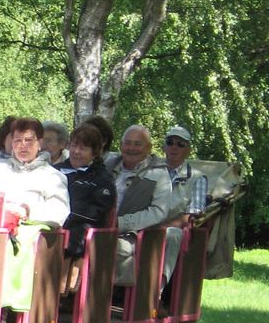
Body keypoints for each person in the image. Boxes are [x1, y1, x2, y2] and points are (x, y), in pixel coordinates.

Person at [0, 118, 70, 312]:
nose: (23, 146)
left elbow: (60, 211)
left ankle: (3, 310)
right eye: (17, 140)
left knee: (11, 242)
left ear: (40, 143)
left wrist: (28, 212)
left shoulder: (53, 177)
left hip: (25, 234)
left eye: (29, 140)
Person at [105, 125, 180, 286]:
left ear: (149, 148)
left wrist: (121, 223)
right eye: (128, 143)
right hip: (99, 228)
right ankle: (70, 296)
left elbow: (158, 212)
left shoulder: (158, 174)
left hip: (131, 234)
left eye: (138, 144)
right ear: (121, 145)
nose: (131, 148)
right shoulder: (107, 167)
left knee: (108, 248)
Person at [55, 124, 117, 294]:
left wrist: (69, 214)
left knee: (74, 234)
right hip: (53, 221)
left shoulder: (102, 178)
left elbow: (99, 209)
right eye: (74, 145)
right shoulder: (56, 170)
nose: (76, 151)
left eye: (83, 148)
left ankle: (62, 290)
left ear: (94, 152)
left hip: (80, 227)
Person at [162, 125, 208, 228]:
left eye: (181, 144)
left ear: (189, 150)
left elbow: (193, 215)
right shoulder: (151, 171)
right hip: (146, 224)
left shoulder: (197, 178)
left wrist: (163, 227)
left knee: (170, 234)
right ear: (164, 147)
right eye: (170, 142)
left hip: (176, 230)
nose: (174, 147)